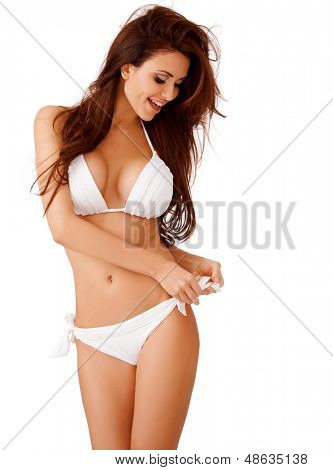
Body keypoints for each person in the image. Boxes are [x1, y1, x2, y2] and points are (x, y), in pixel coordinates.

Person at [31, 4, 225, 450]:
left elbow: (138, 235)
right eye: (160, 79)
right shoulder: (56, 122)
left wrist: (186, 260)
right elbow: (63, 227)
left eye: (178, 85)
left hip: (161, 319)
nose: (170, 94)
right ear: (126, 67)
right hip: (95, 332)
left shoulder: (160, 141)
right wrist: (164, 267)